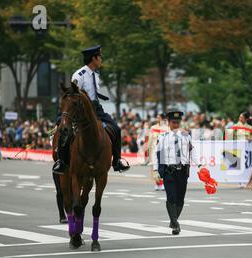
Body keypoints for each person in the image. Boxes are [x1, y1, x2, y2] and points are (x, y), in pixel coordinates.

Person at [53, 45, 130, 174]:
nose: (101, 59)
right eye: (99, 57)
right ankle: (62, 161)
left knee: (116, 128)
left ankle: (117, 161)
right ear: (93, 58)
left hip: (96, 107)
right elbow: (73, 94)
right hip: (80, 109)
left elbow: (94, 93)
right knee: (64, 131)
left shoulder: (95, 74)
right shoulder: (79, 75)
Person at [152, 110, 204, 235]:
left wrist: (199, 165)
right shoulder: (163, 137)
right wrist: (155, 169)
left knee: (180, 199)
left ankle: (173, 219)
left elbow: (192, 151)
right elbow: (155, 153)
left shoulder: (186, 136)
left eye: (178, 122)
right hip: (169, 171)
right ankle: (175, 224)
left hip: (182, 171)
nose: (176, 124)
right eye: (173, 122)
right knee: (171, 197)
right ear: (169, 123)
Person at [147, 113, 168, 191]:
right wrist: (147, 150)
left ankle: (162, 183)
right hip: (154, 149)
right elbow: (150, 140)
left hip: (163, 149)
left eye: (159, 117)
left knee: (162, 166)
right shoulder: (153, 127)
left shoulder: (167, 128)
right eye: (157, 117)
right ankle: (157, 183)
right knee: (154, 167)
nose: (157, 119)